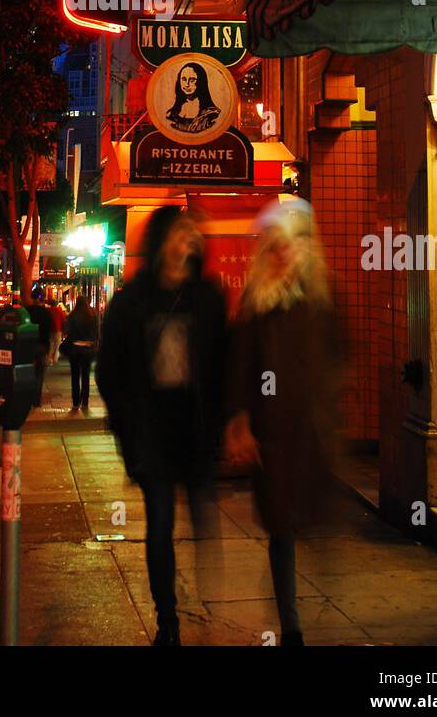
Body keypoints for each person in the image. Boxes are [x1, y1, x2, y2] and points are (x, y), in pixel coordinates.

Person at [97, 207, 227, 647]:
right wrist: (125, 425)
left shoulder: (207, 297)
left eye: (191, 234)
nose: (187, 241)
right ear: (162, 241)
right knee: (160, 527)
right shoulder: (132, 300)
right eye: (178, 233)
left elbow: (222, 365)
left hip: (194, 428)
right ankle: (167, 616)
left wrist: (224, 421)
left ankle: (209, 594)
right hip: (151, 432)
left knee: (205, 516)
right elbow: (108, 370)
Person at [225, 199, 340, 648]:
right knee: (281, 529)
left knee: (310, 522)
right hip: (273, 434)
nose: (286, 255)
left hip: (310, 434)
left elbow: (337, 359)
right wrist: (239, 422)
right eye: (277, 248)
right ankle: (291, 625)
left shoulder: (321, 302)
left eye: (292, 247)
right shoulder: (255, 307)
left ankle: (299, 613)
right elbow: (239, 370)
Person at [63, 296, 98, 412]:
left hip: (75, 348)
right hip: (88, 349)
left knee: (75, 375)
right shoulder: (92, 315)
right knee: (86, 375)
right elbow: (97, 332)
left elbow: (67, 330)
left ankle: (76, 401)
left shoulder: (73, 315)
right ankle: (85, 401)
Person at [166, 62, 221, 135]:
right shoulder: (171, 114)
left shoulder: (211, 114)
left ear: (201, 81)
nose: (187, 84)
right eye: (184, 79)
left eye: (192, 80)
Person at [26, 287, 54, 408]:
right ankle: (36, 400)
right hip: (42, 345)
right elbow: (50, 330)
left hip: (28, 346)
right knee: (39, 374)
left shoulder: (27, 311)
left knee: (28, 372)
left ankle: (28, 397)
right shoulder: (46, 313)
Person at [48, 300, 65, 365]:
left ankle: (49, 360)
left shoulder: (48, 310)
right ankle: (55, 359)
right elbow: (63, 320)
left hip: (50, 330)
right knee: (57, 345)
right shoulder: (59, 310)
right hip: (58, 330)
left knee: (51, 345)